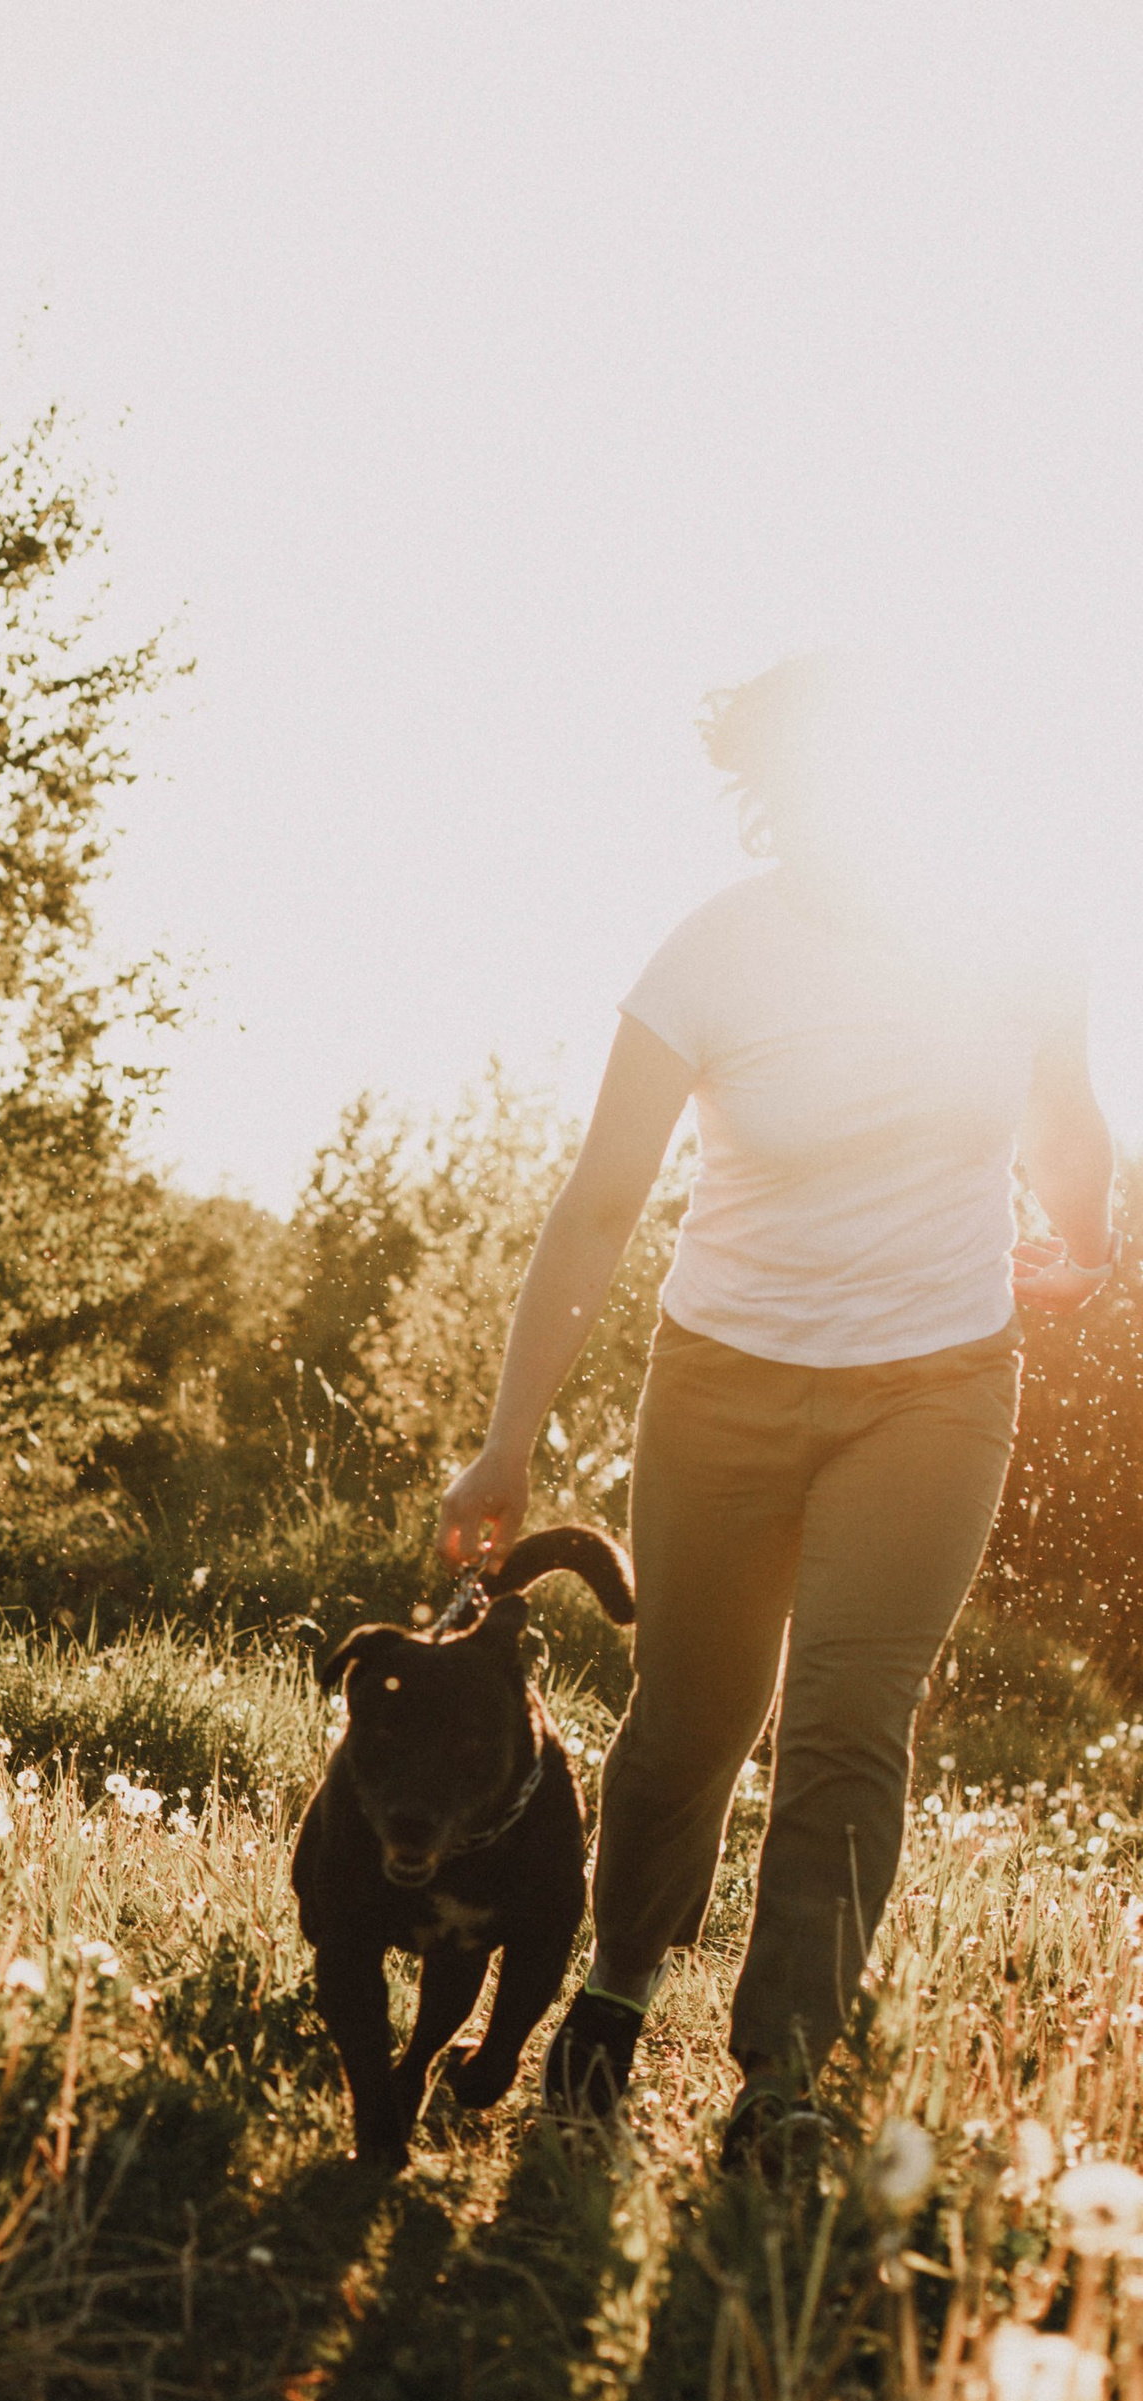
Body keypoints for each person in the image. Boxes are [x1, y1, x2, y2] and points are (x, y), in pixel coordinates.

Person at [437, 653, 1120, 2166]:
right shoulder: (712, 957)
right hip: (724, 1380)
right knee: (690, 1720)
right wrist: (509, 1433)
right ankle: (616, 1988)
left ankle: (787, 2077)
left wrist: (1081, 1241)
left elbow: (1067, 1128)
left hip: (938, 1382)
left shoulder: (1014, 940)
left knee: (848, 1722)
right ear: (772, 798)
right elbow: (603, 1199)